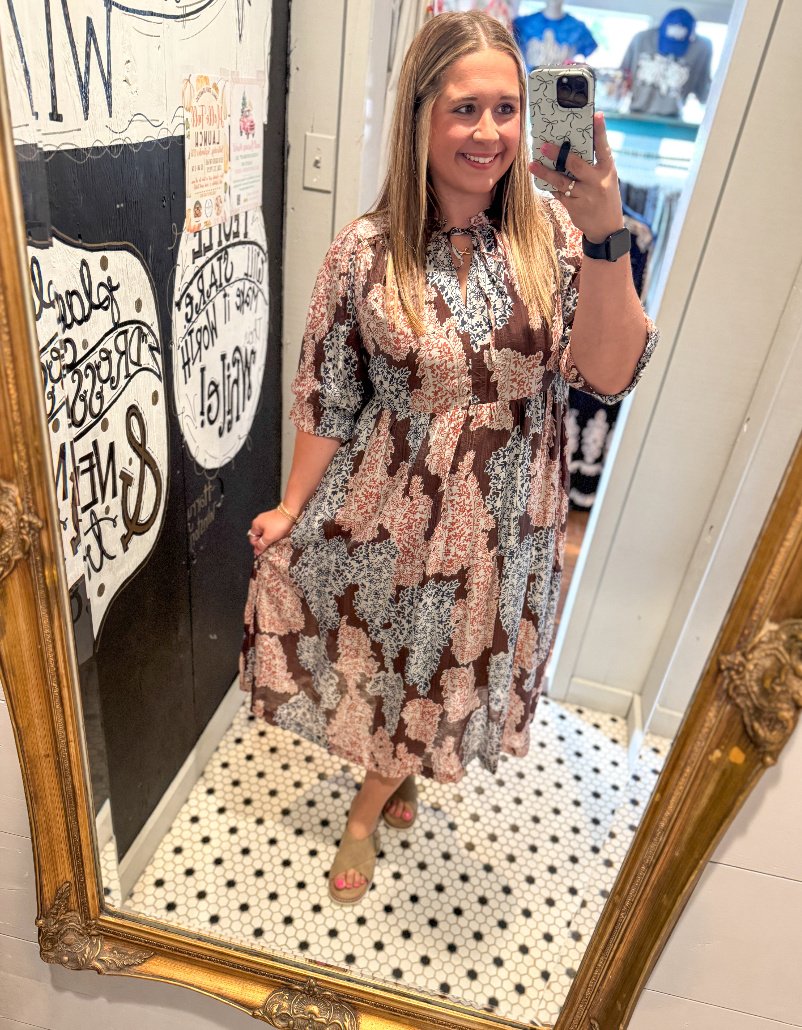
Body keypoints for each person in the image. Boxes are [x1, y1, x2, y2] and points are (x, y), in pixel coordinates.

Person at [241, 11, 656, 904]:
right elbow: (329, 393)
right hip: (392, 506)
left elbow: (611, 373)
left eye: (509, 109)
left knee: (455, 661)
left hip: (508, 518)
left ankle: (377, 792)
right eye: (467, 107)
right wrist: (291, 504)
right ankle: (377, 794)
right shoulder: (364, 249)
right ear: (420, 112)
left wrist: (607, 227)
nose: (492, 133)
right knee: (395, 656)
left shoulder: (557, 233)